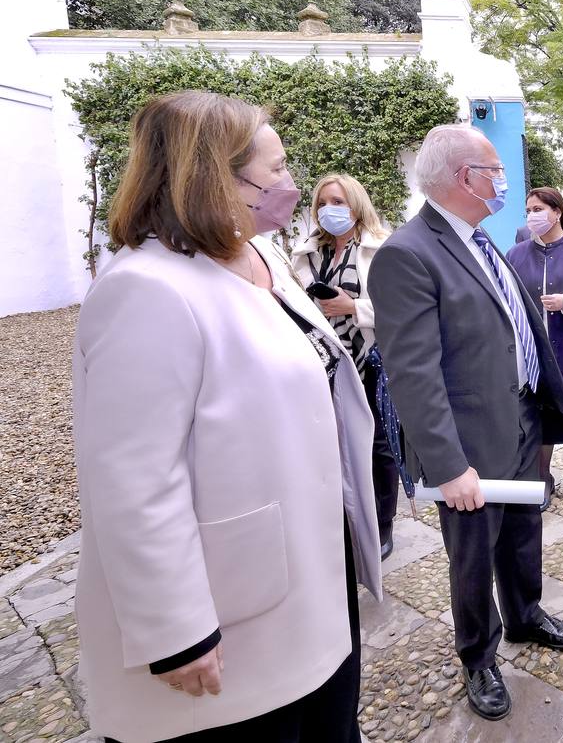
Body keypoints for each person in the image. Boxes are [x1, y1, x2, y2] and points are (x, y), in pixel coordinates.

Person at [74, 91, 380, 743]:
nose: (291, 186)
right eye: (273, 173)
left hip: (310, 573)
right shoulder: (146, 289)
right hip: (230, 613)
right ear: (209, 177)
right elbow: (134, 479)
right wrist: (174, 629)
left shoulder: (259, 256)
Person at [368, 125, 563, 721]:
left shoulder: (479, 239)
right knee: (472, 552)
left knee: (522, 531)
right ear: (466, 178)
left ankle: (524, 613)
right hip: (466, 440)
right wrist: (448, 464)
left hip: (517, 416)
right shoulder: (408, 254)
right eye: (494, 170)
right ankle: (478, 655)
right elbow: (414, 373)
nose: (503, 182)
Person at [292, 174, 400, 560]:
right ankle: (345, 519)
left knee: (378, 444)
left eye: (337, 202)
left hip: (369, 357)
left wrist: (353, 307)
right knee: (335, 442)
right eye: (322, 203)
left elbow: (402, 307)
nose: (328, 210)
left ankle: (383, 523)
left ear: (356, 205)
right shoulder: (307, 252)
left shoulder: (380, 247)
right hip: (323, 360)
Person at [505, 187, 563, 507]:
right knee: (540, 419)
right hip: (534, 353)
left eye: (539, 208)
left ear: (557, 212)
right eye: (529, 209)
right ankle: (542, 477)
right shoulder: (516, 254)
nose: (532, 215)